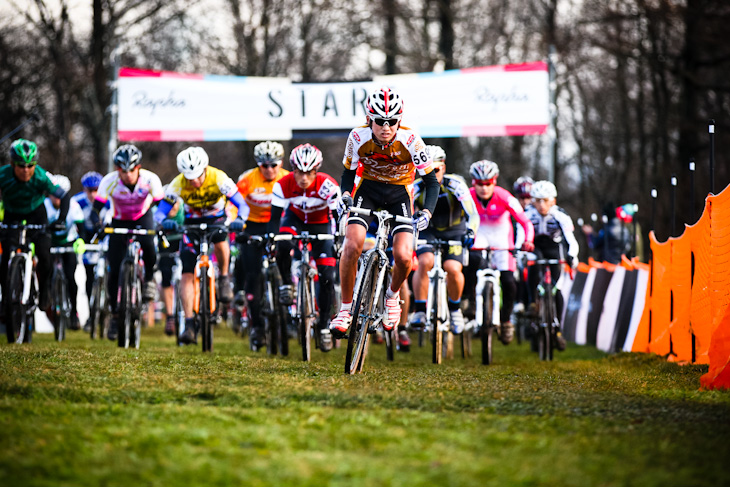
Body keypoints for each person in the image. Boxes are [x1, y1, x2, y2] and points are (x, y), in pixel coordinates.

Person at [330, 86, 440, 338]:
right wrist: (345, 195)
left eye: (392, 122)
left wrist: (427, 213)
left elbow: (432, 182)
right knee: (352, 245)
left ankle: (392, 297)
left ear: (399, 121)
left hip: (399, 194)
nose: (385, 127)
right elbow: (348, 173)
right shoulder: (357, 137)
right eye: (379, 121)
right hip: (367, 190)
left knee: (403, 256)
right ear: (369, 119)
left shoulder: (411, 140)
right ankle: (345, 310)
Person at [154, 146, 246, 345]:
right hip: (191, 224)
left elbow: (242, 204)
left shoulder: (219, 178)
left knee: (222, 239)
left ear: (205, 169)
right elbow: (161, 211)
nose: (194, 181)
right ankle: (188, 322)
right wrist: (163, 221)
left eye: (197, 176)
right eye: (189, 177)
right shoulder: (178, 184)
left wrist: (240, 218)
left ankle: (222, 278)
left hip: (216, 221)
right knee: (187, 272)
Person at [268, 143, 341, 352]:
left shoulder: (328, 185)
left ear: (316, 171)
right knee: (282, 243)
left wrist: (338, 238)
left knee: (327, 273)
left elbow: (338, 217)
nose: (304, 178)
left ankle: (325, 325)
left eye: (309, 173)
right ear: (293, 170)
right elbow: (274, 219)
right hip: (295, 219)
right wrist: (271, 238)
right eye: (300, 172)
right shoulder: (282, 185)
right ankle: (286, 285)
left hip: (321, 223)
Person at [93, 144, 165, 341]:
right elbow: (97, 207)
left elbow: (161, 204)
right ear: (118, 170)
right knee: (114, 268)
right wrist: (97, 223)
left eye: (131, 170)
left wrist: (160, 222)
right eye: (123, 171)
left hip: (143, 216)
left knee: (149, 244)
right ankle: (116, 316)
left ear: (138, 167)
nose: (128, 175)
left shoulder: (150, 179)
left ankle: (149, 278)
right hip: (119, 220)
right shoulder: (109, 181)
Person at [410, 145, 479, 337]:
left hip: (454, 231)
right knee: (424, 262)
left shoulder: (455, 184)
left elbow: (472, 213)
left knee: (453, 268)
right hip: (429, 230)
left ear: (444, 167)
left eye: (435, 170)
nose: (430, 175)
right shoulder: (416, 186)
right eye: (425, 170)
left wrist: (471, 232)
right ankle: (420, 310)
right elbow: (407, 212)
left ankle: (455, 309)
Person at [464, 160, 534, 345]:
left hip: (502, 238)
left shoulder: (505, 197)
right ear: (473, 183)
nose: (484, 188)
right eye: (480, 184)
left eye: (488, 184)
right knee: (471, 259)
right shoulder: (467, 196)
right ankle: (470, 300)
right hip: (480, 235)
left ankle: (506, 321)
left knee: (509, 282)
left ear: (494, 182)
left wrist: (528, 240)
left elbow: (525, 222)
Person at [0, 139, 70, 319]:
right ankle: (6, 300)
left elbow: (64, 196)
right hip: (12, 215)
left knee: (45, 256)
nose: (26, 170)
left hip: (37, 215)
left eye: (30, 165)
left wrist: (61, 220)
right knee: (5, 257)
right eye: (21, 165)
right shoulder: (3, 175)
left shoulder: (40, 176)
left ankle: (44, 290)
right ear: (12, 164)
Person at [234, 141, 289, 350]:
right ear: (258, 165)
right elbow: (234, 202)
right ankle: (256, 326)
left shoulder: (286, 178)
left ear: (280, 163)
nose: (269, 170)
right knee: (253, 274)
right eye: (264, 165)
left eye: (273, 165)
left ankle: (287, 287)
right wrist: (235, 220)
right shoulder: (247, 179)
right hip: (253, 225)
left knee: (285, 253)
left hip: (279, 223)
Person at [524, 180, 580, 351]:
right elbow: (520, 236)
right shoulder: (527, 213)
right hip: (535, 247)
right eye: (537, 200)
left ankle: (558, 330)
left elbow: (571, 240)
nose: (542, 205)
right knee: (532, 266)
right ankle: (533, 303)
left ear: (553, 201)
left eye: (545, 200)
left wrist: (572, 256)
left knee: (557, 290)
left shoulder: (560, 215)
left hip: (554, 249)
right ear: (532, 200)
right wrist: (522, 253)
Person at [44, 173, 86, 330]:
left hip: (68, 242)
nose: (57, 199)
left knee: (70, 277)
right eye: (54, 195)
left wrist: (80, 241)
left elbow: (81, 230)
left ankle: (74, 312)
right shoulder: (44, 205)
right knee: (46, 272)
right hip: (50, 242)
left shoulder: (74, 206)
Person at [72, 171, 110, 331]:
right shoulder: (77, 201)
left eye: (96, 189)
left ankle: (108, 309)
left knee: (110, 272)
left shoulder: (107, 201)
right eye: (90, 190)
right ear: (84, 190)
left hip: (104, 235)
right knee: (88, 278)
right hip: (85, 237)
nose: (93, 194)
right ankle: (90, 315)